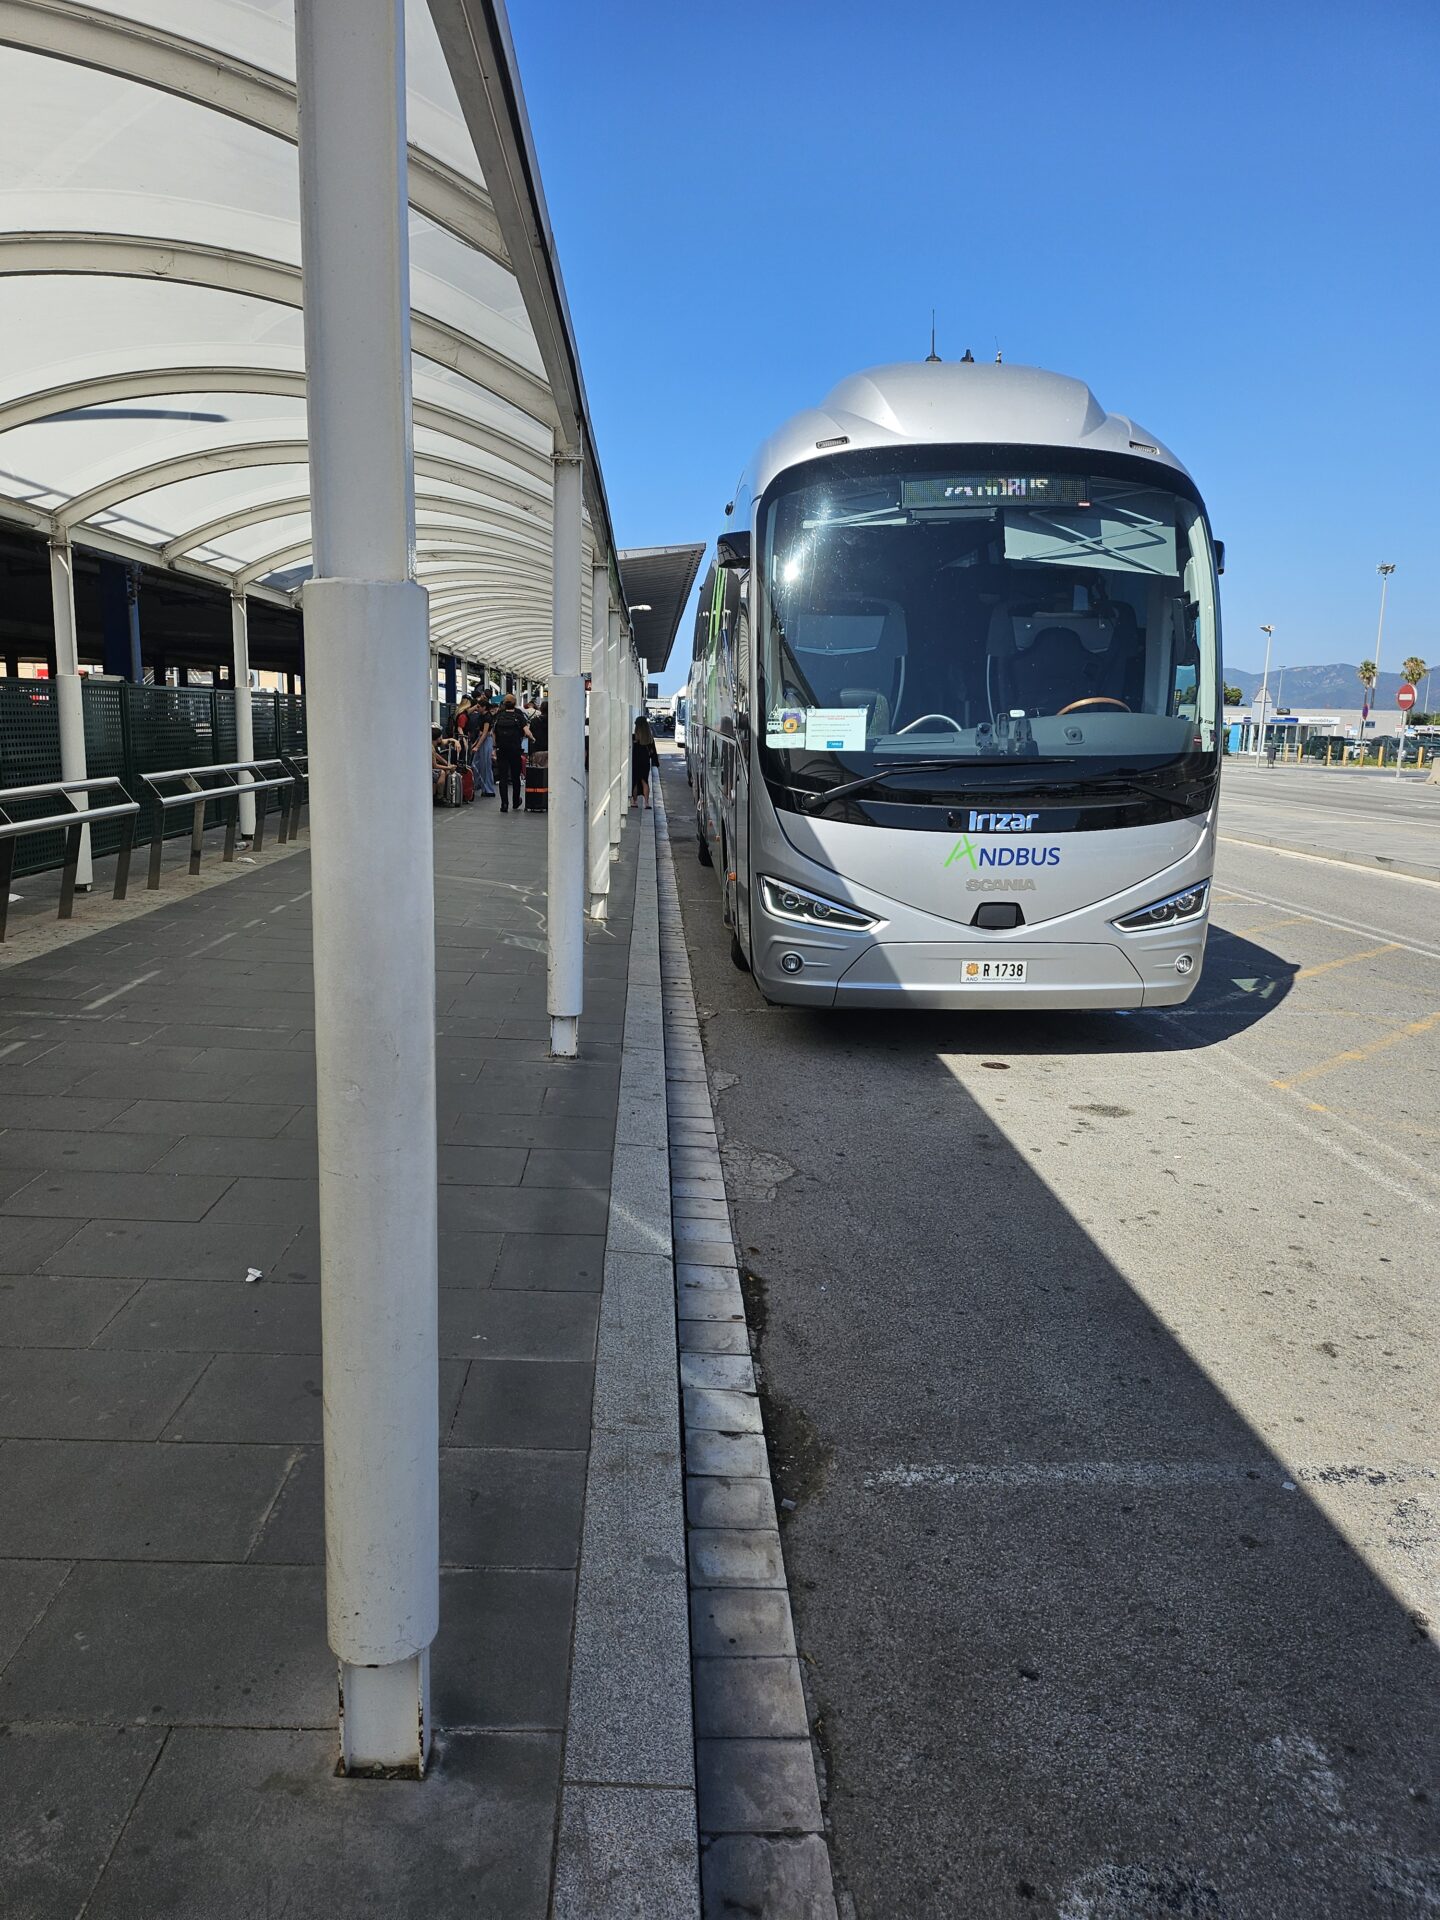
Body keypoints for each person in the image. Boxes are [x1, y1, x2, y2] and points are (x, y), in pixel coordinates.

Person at [490, 692, 532, 814]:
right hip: (515, 750)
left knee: (503, 777)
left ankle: (504, 804)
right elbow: (527, 732)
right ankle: (515, 801)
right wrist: (532, 738)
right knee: (515, 777)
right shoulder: (518, 716)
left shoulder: (499, 715)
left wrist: (494, 747)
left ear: (504, 704)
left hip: (501, 750)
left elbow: (493, 733)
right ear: (515, 704)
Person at [631, 713, 659, 809]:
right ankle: (646, 803)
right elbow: (653, 752)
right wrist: (655, 762)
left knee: (634, 781)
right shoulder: (649, 738)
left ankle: (634, 802)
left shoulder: (634, 738)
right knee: (644, 781)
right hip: (645, 762)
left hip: (635, 761)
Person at [472, 694, 496, 797]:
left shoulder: (487, 717)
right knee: (479, 764)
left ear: (484, 707)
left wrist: (477, 745)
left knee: (485, 765)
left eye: (479, 707)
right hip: (483, 740)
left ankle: (487, 788)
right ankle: (484, 787)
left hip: (485, 741)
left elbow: (485, 733)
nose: (477, 708)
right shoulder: (484, 716)